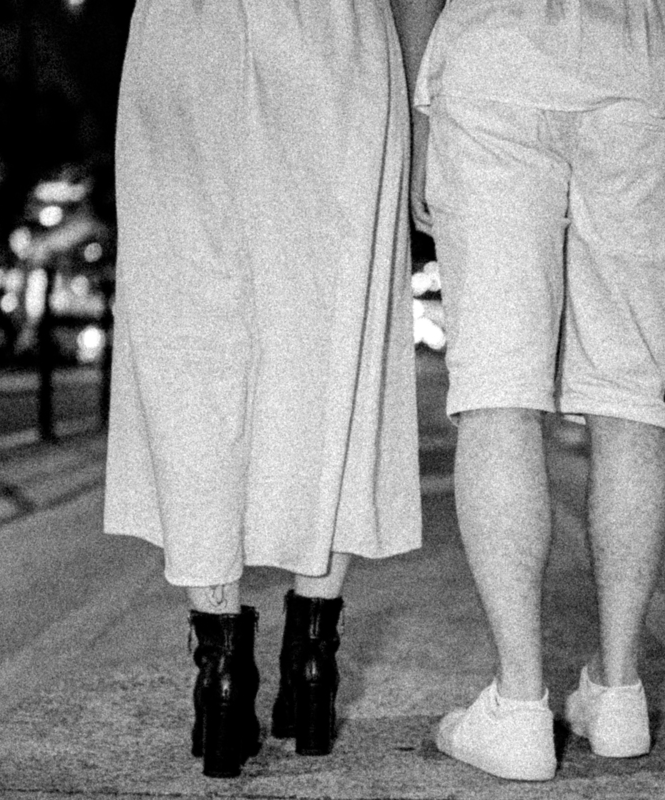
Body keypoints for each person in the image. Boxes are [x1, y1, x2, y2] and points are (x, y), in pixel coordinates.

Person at [104, 0, 429, 778]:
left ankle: (220, 677)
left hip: (186, 34)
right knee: (339, 335)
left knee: (191, 340)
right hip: (340, 38)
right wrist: (424, 117)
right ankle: (313, 665)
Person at [410, 0, 665, 781]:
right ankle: (618, 692)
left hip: (497, 58)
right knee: (630, 394)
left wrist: (421, 118)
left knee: (497, 391)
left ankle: (519, 704)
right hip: (648, 66)